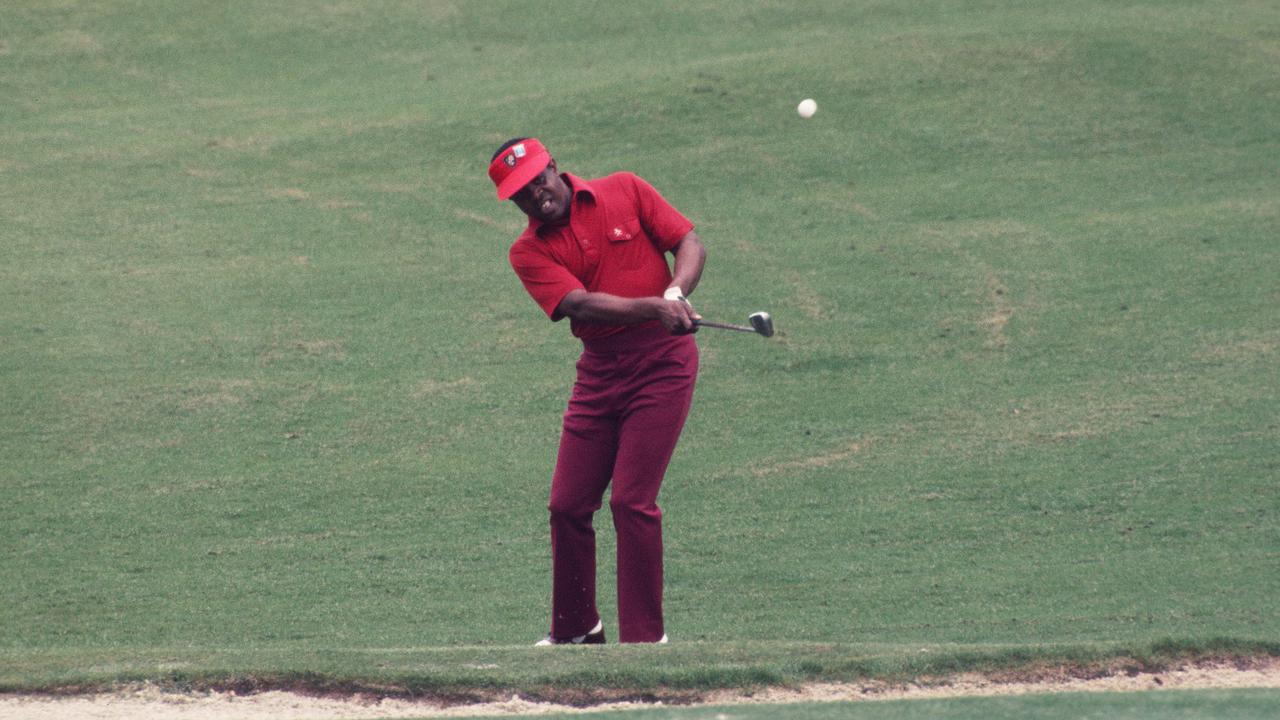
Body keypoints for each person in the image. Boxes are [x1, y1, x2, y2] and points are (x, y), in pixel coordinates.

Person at [487, 137, 706, 645]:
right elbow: (579, 305)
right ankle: (578, 629)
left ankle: (644, 640)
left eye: (538, 180)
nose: (536, 195)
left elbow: (689, 242)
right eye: (521, 194)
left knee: (631, 502)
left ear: (555, 168)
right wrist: (654, 306)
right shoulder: (528, 252)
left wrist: (675, 293)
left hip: (663, 366)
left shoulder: (624, 189)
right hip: (600, 374)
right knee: (567, 504)